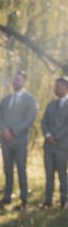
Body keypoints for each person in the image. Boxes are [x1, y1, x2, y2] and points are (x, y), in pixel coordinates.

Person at [0, 71, 38, 209]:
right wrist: (4, 130)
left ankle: (24, 199)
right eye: (14, 80)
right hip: (6, 141)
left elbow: (29, 119)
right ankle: (7, 196)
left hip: (19, 141)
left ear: (24, 82)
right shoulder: (6, 99)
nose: (15, 82)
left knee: (21, 169)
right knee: (7, 169)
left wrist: (13, 131)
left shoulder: (30, 100)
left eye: (18, 80)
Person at [41, 76, 68, 209]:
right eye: (55, 86)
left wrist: (56, 137)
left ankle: (64, 200)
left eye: (58, 86)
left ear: (66, 87)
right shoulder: (50, 105)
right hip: (48, 146)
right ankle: (48, 199)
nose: (55, 88)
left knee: (62, 174)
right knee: (49, 174)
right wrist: (48, 135)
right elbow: (44, 122)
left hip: (62, 146)